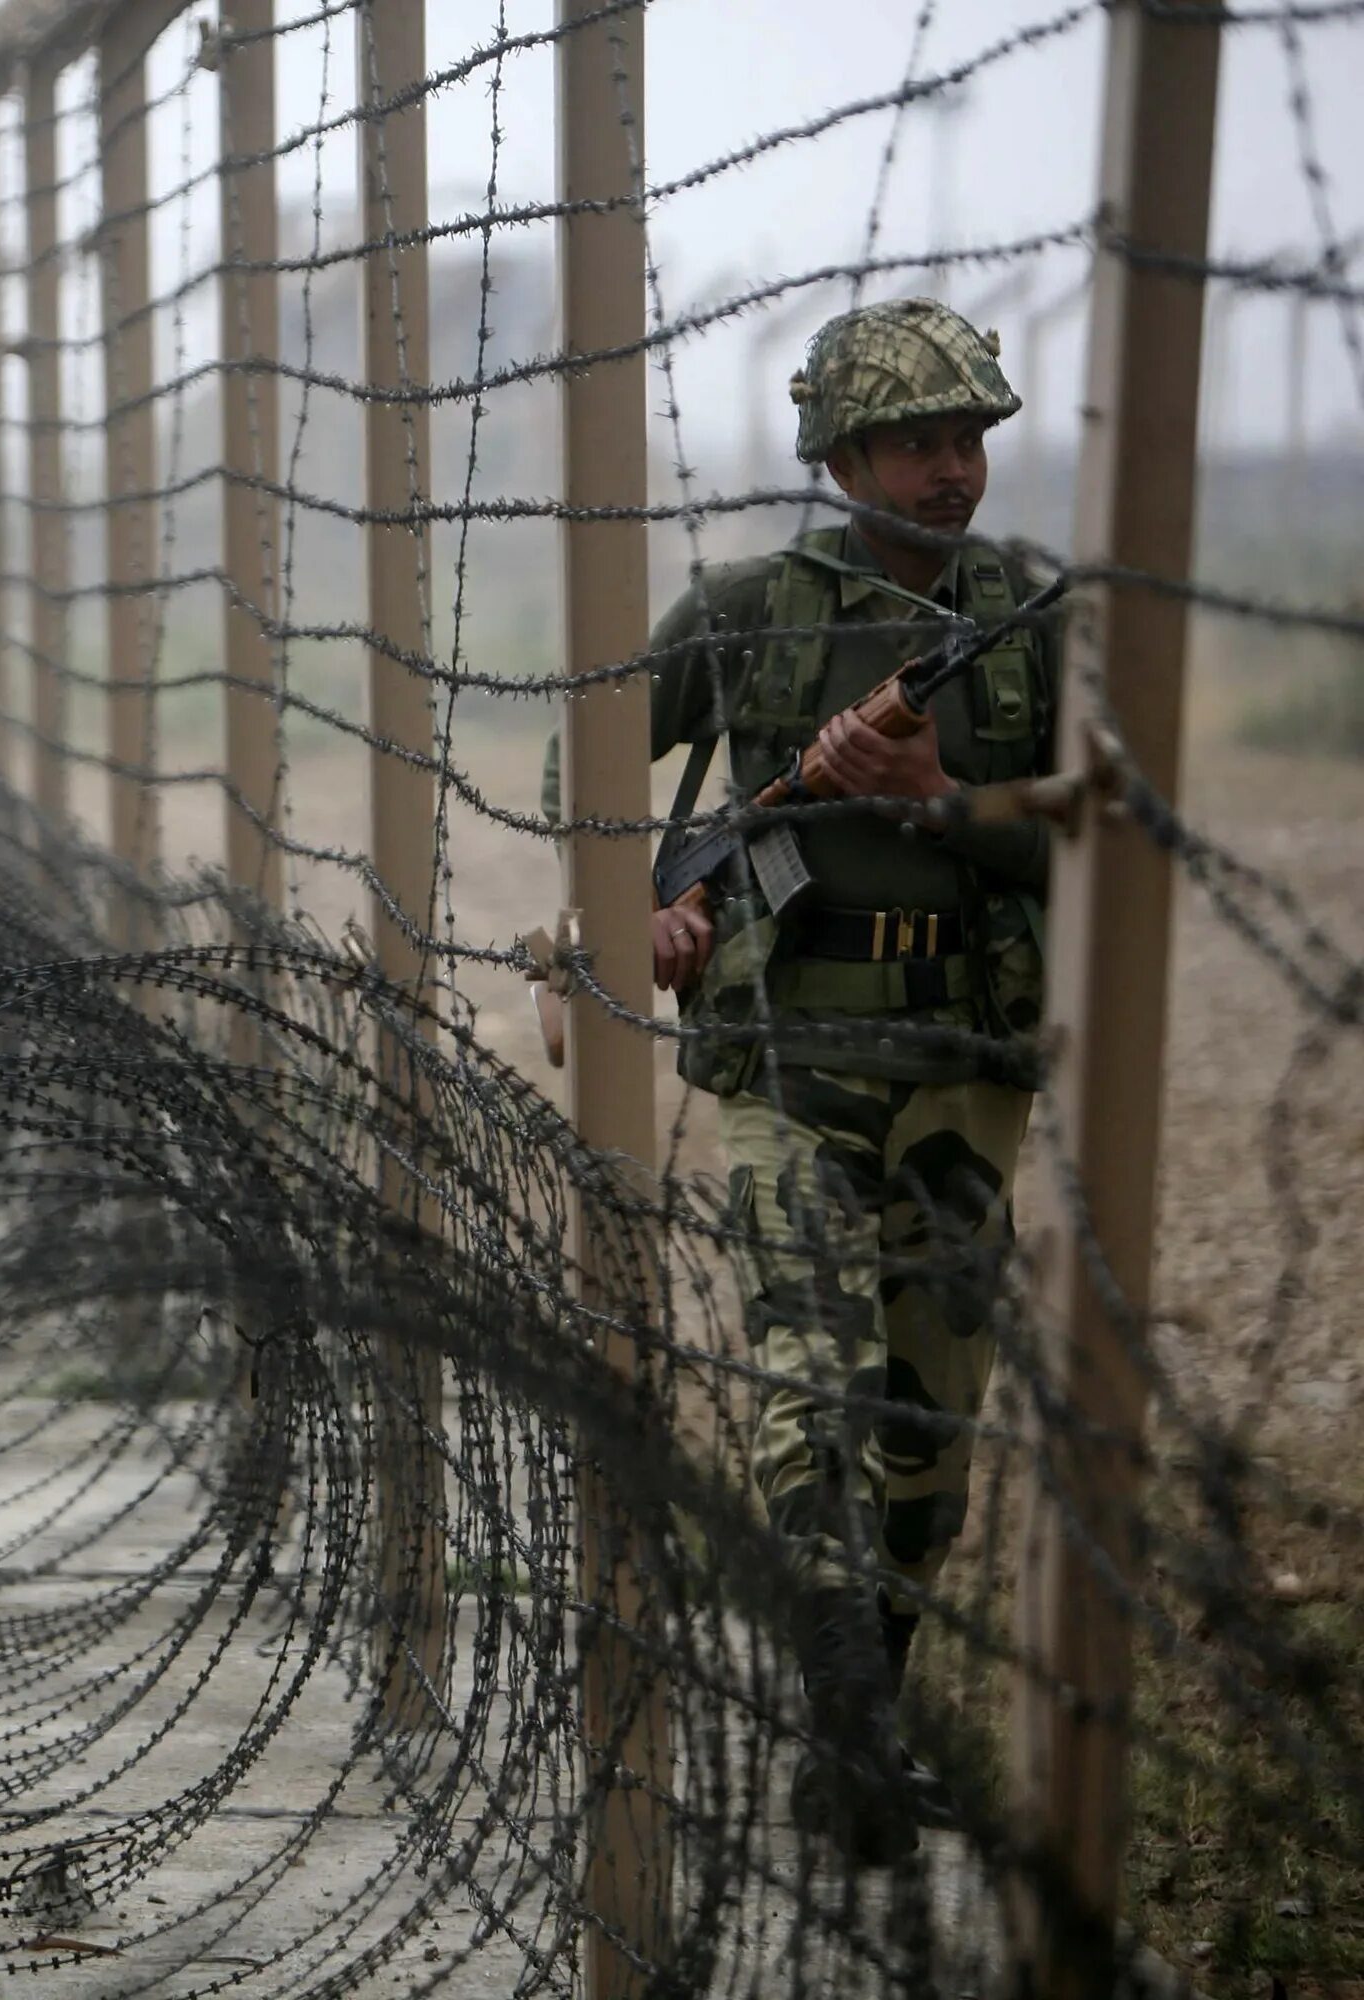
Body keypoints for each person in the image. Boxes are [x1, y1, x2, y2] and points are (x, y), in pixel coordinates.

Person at [547, 296, 1062, 1864]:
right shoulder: (749, 608)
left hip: (963, 1055)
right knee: (808, 1373)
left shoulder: (1033, 618)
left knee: (931, 1421)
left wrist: (938, 797)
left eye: (970, 438)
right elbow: (594, 761)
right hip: (791, 1046)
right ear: (842, 452)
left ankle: (864, 1716)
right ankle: (842, 1702)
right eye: (918, 442)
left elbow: (1102, 828)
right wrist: (643, 902)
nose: (952, 470)